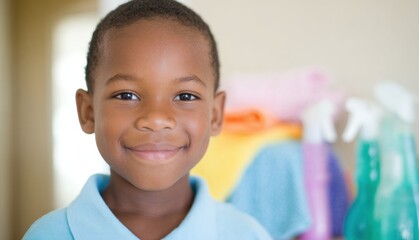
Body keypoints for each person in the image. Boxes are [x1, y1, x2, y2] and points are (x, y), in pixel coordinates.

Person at [23, 0, 272, 239]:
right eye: (127, 95)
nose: (156, 119)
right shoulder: (47, 235)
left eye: (185, 96)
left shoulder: (248, 235)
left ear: (215, 115)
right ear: (88, 112)